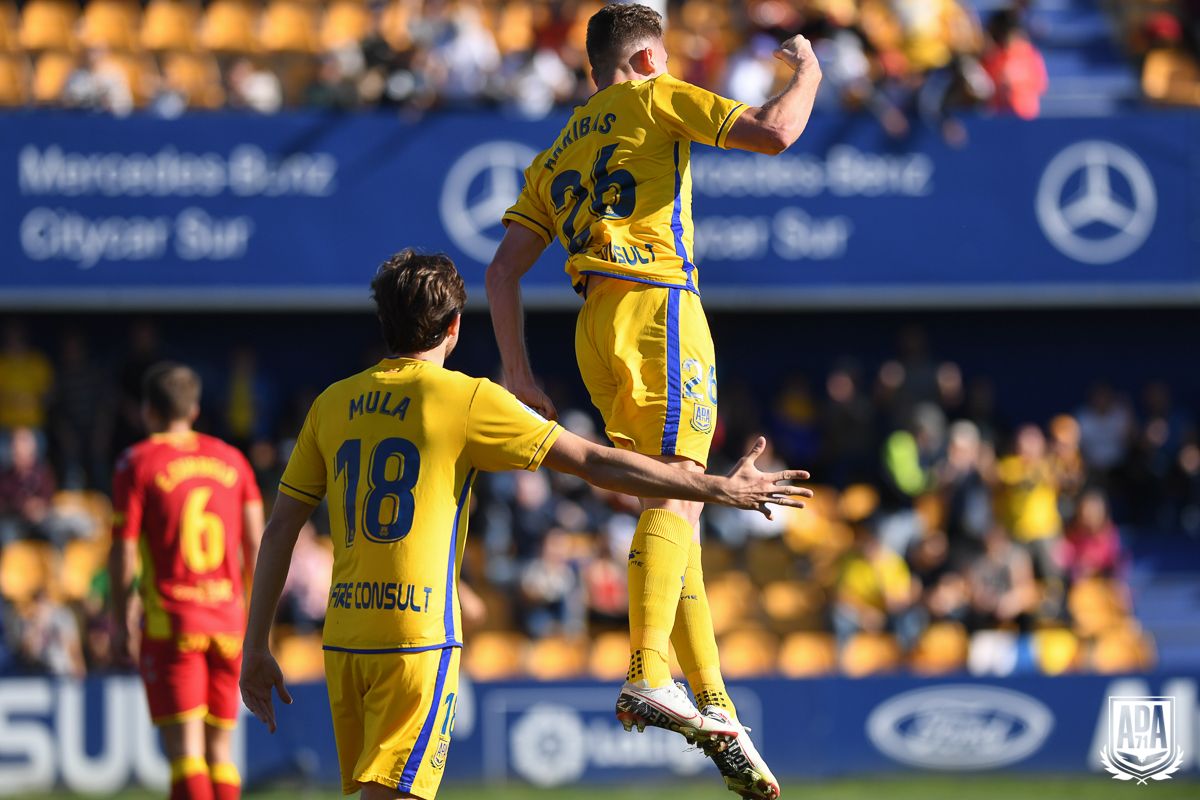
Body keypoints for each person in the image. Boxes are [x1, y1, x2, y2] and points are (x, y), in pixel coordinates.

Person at [238, 251, 811, 800]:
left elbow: (281, 528)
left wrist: (256, 644)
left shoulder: (330, 404)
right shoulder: (466, 398)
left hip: (344, 636)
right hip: (417, 635)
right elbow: (593, 462)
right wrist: (717, 487)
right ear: (455, 327)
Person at [484, 5, 821, 797]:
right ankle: (645, 671)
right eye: (661, 56)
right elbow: (776, 133)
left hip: (592, 329)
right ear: (641, 60)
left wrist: (516, 371)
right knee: (680, 503)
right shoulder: (653, 94)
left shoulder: (556, 149)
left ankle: (716, 709)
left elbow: (500, 273)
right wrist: (810, 72)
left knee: (675, 503)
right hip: (659, 306)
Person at [109, 363, 265, 800]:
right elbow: (258, 544)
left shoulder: (136, 462)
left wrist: (121, 622)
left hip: (173, 622)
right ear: (194, 409)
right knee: (222, 753)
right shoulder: (232, 460)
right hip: (229, 622)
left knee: (186, 754)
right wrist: (253, 616)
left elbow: (123, 550)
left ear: (147, 411)